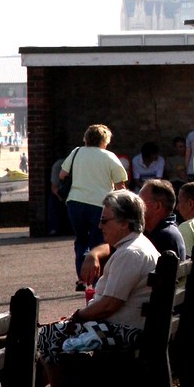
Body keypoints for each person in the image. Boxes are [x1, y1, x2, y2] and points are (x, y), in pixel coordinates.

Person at [37, 190, 160, 387]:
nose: (100, 225)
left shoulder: (130, 254)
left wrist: (78, 316)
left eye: (105, 220)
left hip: (125, 331)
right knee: (53, 339)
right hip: (133, 325)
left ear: (124, 223)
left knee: (49, 335)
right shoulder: (135, 246)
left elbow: (109, 305)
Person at [59, 124, 129, 290]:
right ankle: (97, 278)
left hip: (75, 202)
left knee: (81, 240)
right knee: (99, 241)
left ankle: (82, 278)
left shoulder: (76, 152)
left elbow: (62, 175)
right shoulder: (109, 156)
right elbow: (120, 186)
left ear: (86, 138)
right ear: (105, 140)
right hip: (100, 204)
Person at [79, 179, 187, 284]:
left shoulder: (165, 237)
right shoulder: (156, 230)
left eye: (140, 201)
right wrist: (93, 255)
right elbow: (114, 246)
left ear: (157, 206)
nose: (135, 205)